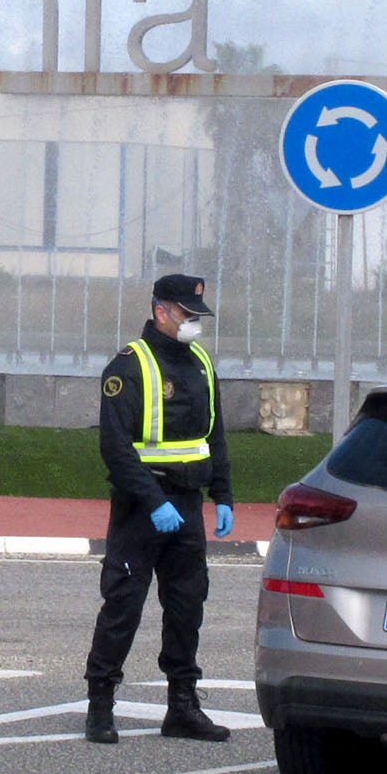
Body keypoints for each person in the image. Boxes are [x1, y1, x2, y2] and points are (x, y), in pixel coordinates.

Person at [83, 273, 235, 746]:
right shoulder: (129, 366)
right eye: (187, 314)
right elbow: (115, 448)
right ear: (161, 310)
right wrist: (153, 501)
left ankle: (182, 707)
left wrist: (223, 495)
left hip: (186, 505)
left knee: (187, 606)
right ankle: (100, 705)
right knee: (123, 604)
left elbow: (214, 436)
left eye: (197, 315)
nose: (193, 323)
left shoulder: (201, 363)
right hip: (141, 507)